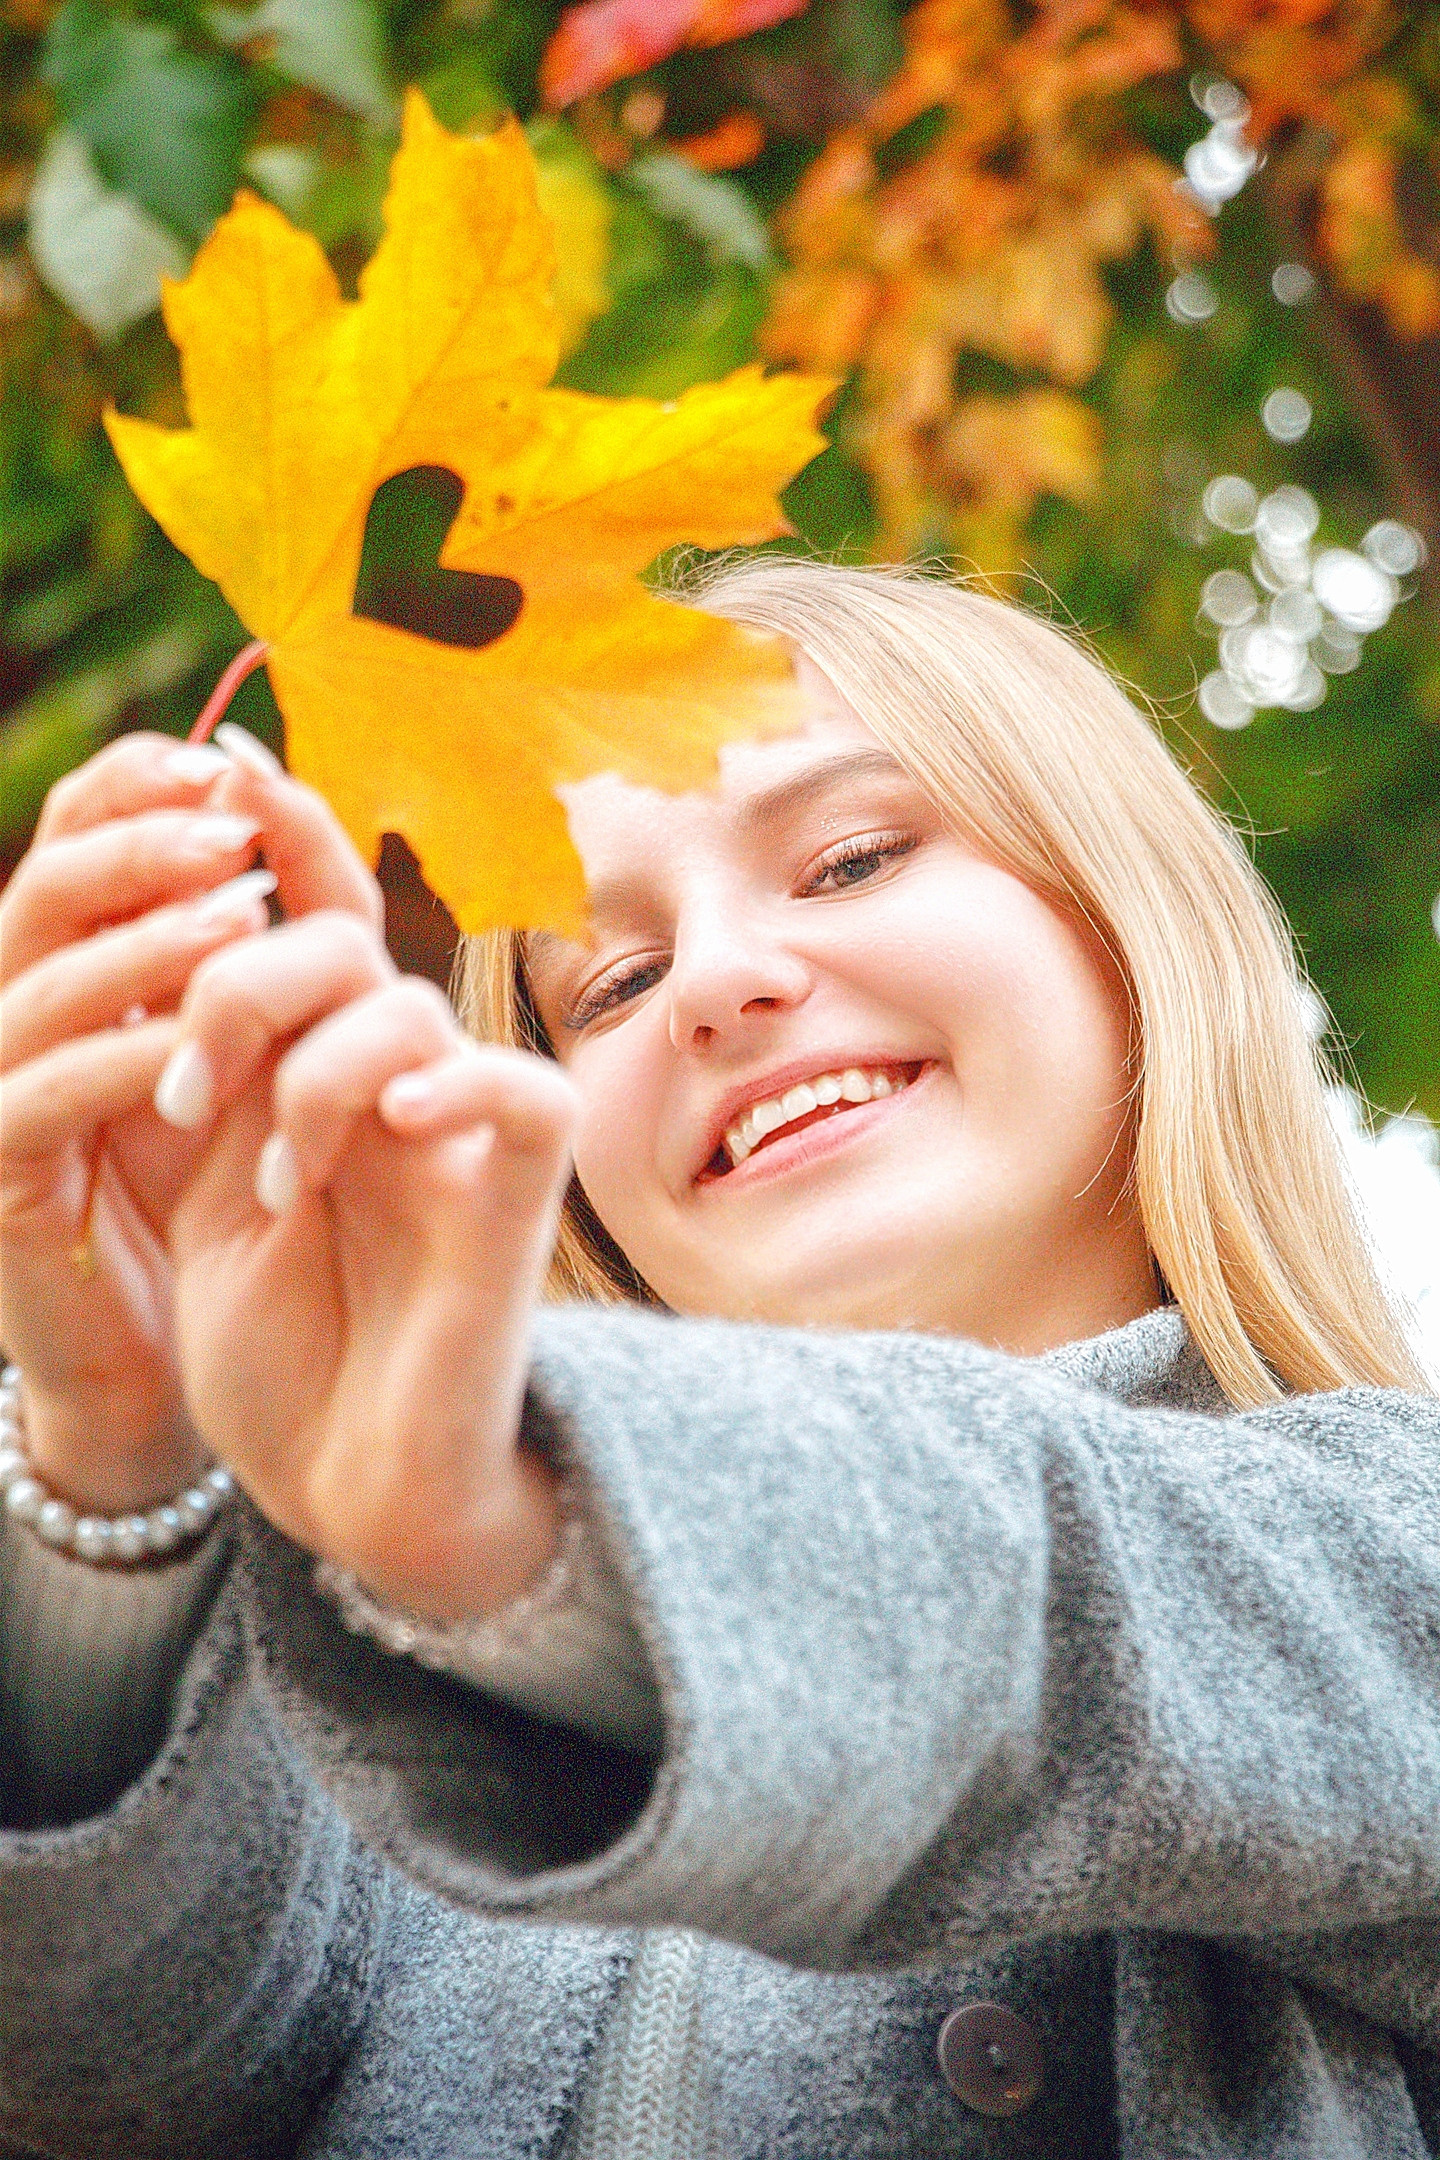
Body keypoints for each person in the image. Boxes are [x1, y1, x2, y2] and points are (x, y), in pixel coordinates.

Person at [1, 557, 1437, 2160]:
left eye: (852, 859)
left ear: (1127, 921)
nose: (713, 983)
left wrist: (519, 1531)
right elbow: (105, 2077)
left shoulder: (1398, 1542)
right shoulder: (387, 1686)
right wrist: (114, 1460)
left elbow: (1079, 1612)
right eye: (608, 983)